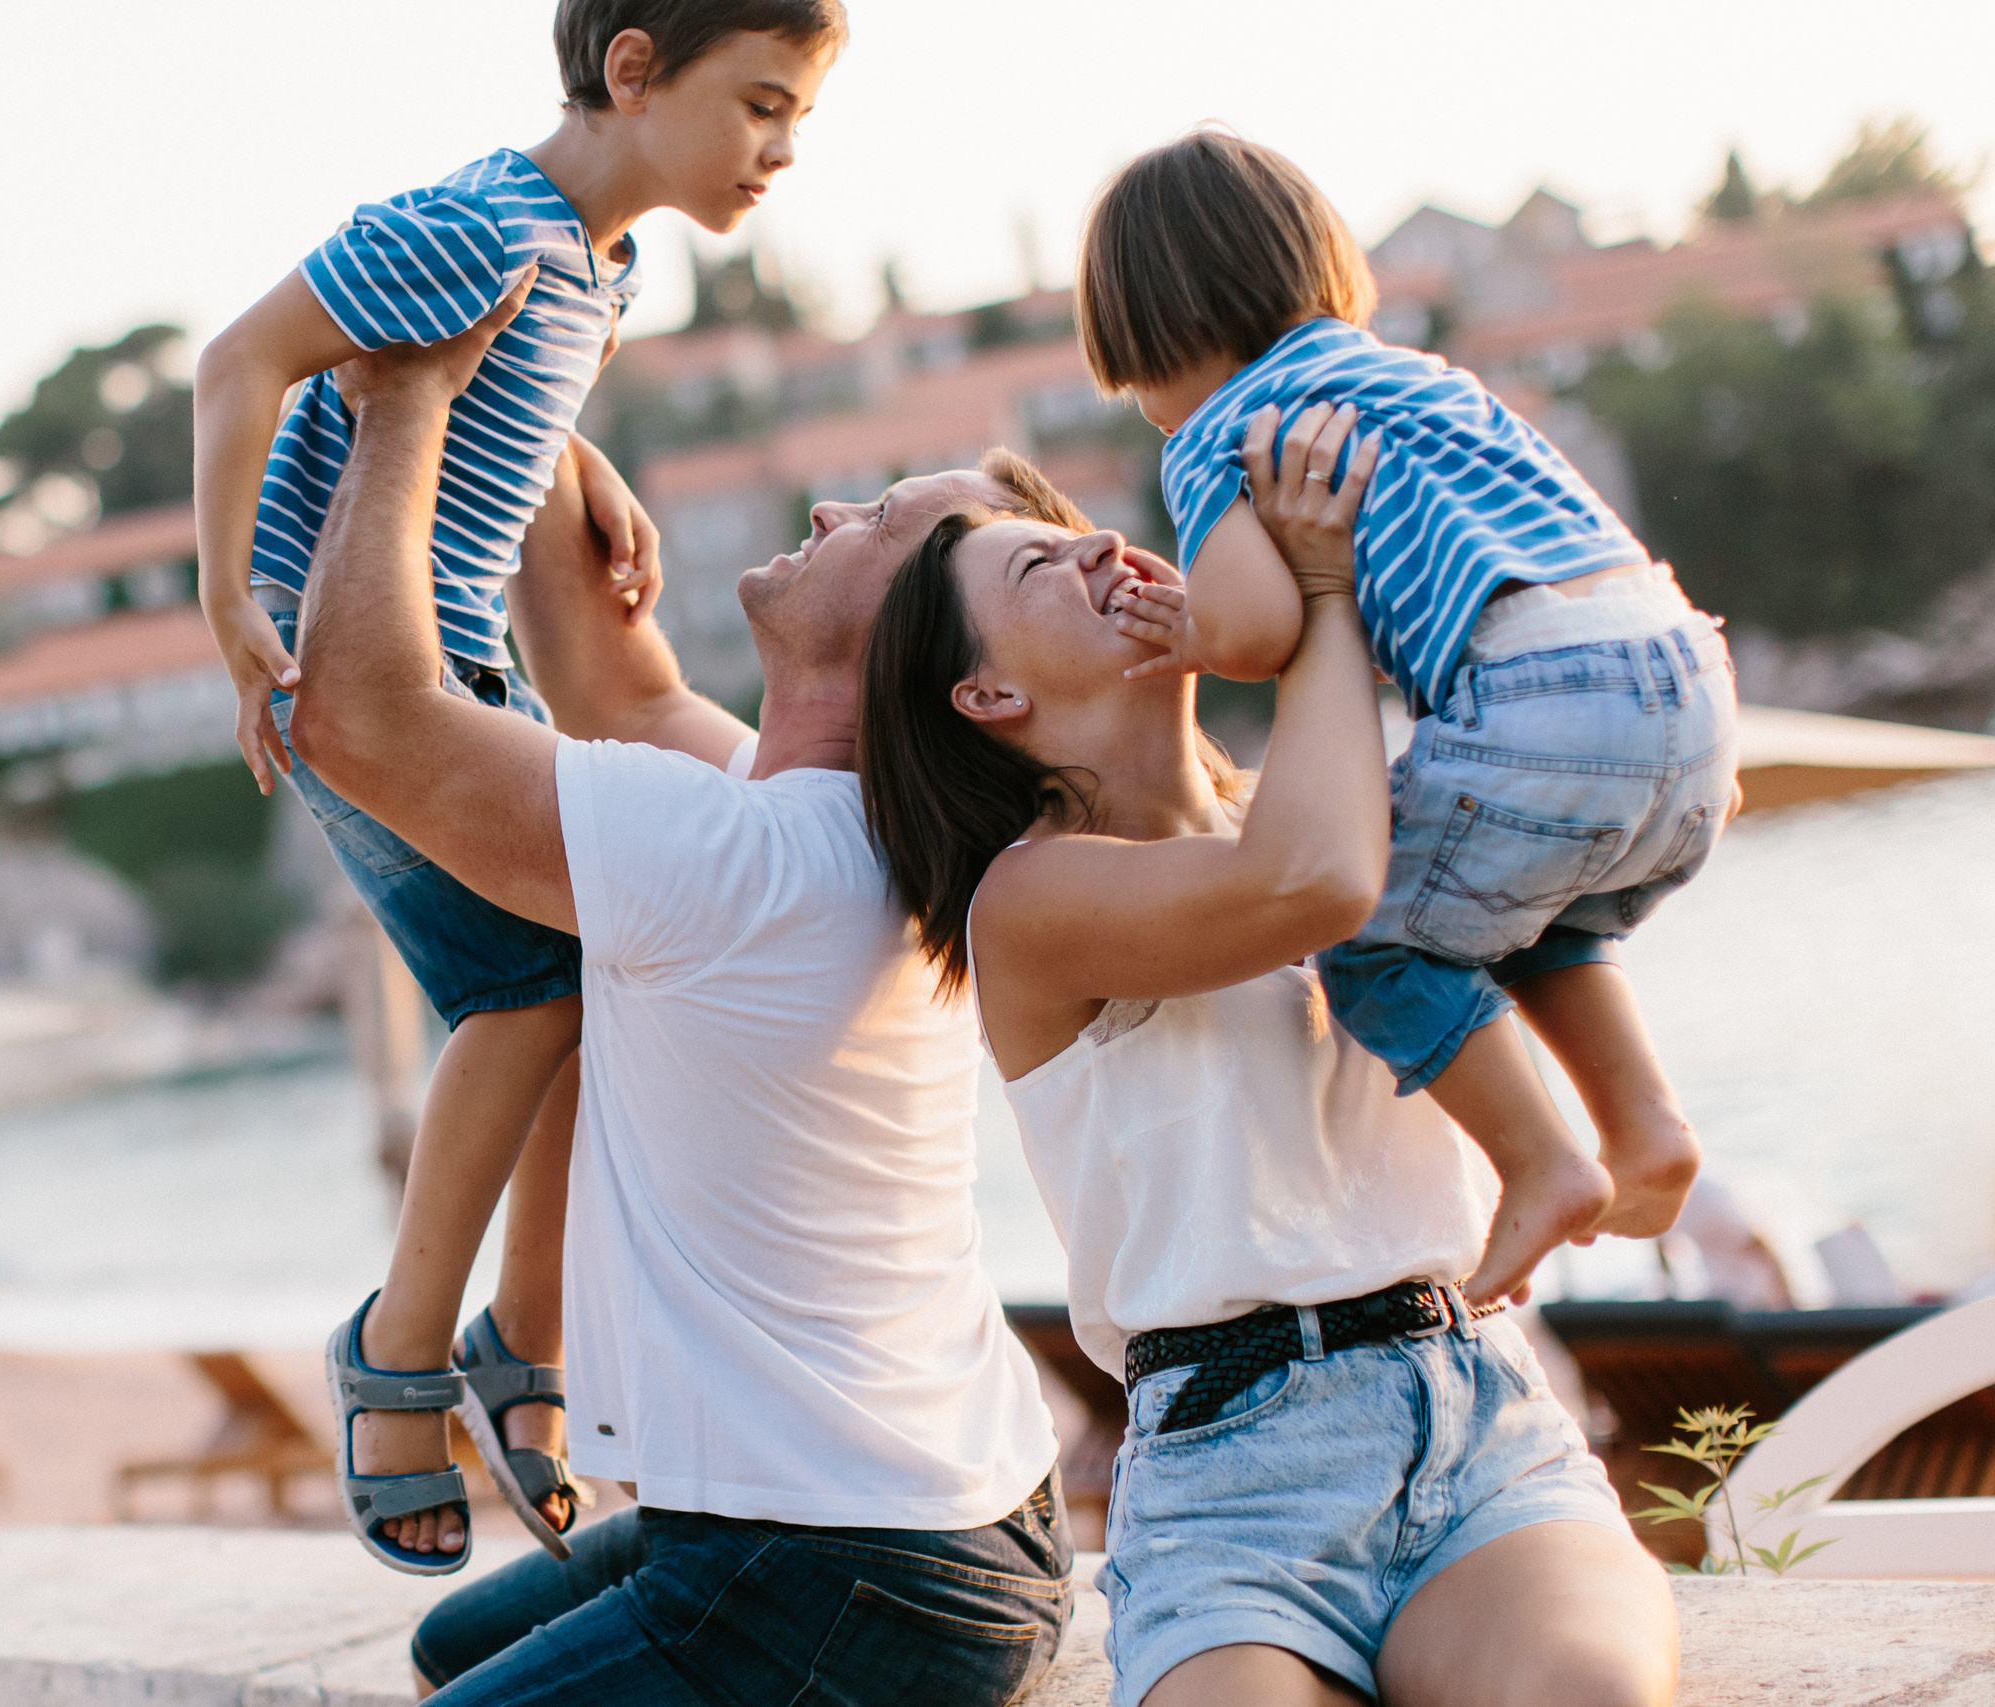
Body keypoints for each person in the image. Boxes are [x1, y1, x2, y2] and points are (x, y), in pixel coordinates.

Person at [288, 280, 1085, 1704]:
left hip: (841, 1569)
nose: (833, 509)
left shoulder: (745, 864)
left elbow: (357, 714)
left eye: (880, 521)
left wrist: (405, 398)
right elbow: (621, 683)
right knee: (449, 1651)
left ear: (910, 650)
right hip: (957, 1522)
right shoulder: (848, 834)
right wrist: (537, 418)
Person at [857, 400, 1679, 1707]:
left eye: (1088, 534)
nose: (1102, 548)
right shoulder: (1030, 901)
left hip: (1472, 1416)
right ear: (989, 694)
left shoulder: (1319, 820)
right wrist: (1320, 597)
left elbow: (1549, 919)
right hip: (1232, 1480)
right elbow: (1307, 884)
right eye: (1039, 565)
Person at [191, 0, 845, 1571]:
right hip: (347, 676)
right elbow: (239, 359)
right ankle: (402, 1344)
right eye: (761, 104)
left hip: (470, 664)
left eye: (799, 119)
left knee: (588, 973)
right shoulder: (476, 226)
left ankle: (516, 1332)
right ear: (635, 70)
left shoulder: (602, 266)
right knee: (526, 987)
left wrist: (581, 461)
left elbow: (508, 397)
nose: (780, 149)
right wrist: (227, 600)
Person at [1076, 130, 1739, 1303]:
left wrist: (1201, 628)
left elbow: (1254, 630)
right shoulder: (1419, 376)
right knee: (1523, 913)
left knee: (1373, 935)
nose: (1146, 412)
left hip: (1543, 704)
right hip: (1685, 680)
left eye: (1131, 385)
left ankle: (1542, 1163)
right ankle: (1644, 1127)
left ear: (1145, 336)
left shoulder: (1224, 426)